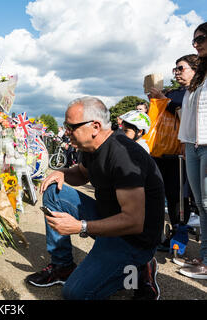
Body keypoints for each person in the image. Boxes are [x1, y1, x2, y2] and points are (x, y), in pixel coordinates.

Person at [25, 96, 165, 300]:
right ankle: (63, 267)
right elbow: (82, 174)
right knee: (54, 191)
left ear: (95, 126)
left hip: (133, 238)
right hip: (110, 218)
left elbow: (134, 222)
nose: (66, 132)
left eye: (71, 126)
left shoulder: (124, 155)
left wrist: (81, 226)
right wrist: (63, 173)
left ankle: (139, 268)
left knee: (76, 294)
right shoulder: (91, 146)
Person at [148, 54, 199, 250]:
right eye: (175, 69)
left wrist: (164, 101)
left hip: (182, 152)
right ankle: (160, 234)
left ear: (195, 70)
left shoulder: (195, 93)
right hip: (162, 152)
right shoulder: (174, 92)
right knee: (161, 192)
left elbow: (186, 113)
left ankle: (180, 234)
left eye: (181, 68)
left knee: (179, 195)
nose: (176, 73)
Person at [175, 22, 207, 280]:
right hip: (193, 146)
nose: (196, 44)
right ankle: (205, 257)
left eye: (201, 39)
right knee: (202, 205)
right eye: (194, 40)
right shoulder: (198, 79)